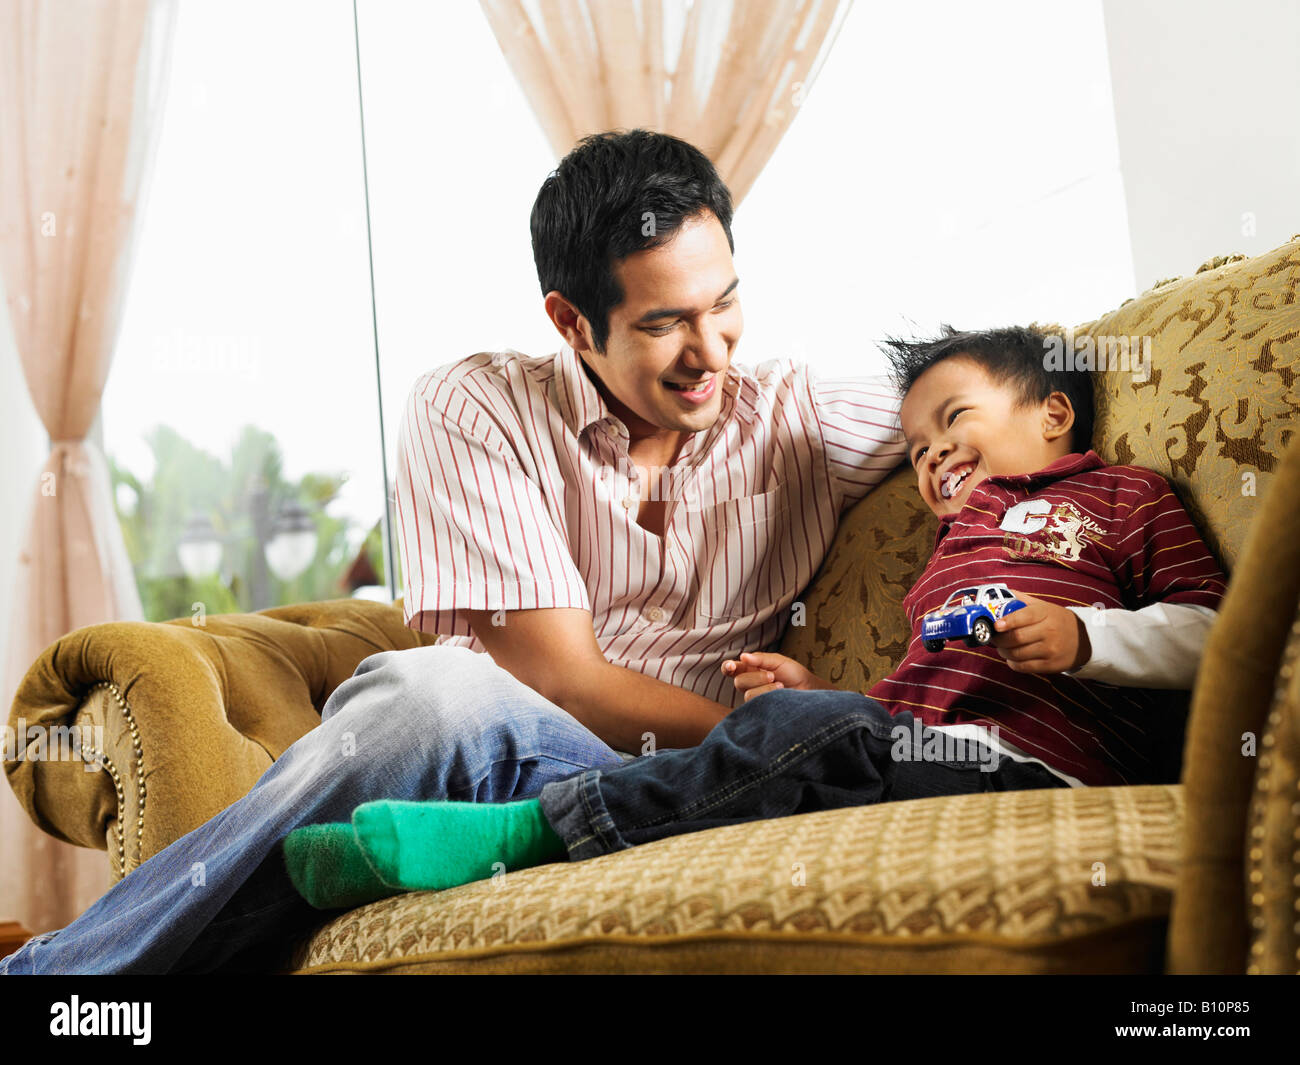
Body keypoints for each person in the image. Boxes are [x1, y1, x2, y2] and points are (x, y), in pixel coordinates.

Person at [0, 130, 907, 974]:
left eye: (726, 302)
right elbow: (561, 684)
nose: (711, 351)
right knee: (433, 692)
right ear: (572, 321)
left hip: (703, 802)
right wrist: (784, 741)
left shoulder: (798, 415)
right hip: (531, 760)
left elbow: (1013, 392)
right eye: (666, 323)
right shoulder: (474, 410)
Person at [279, 325, 1229, 904]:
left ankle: (527, 833)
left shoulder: (1124, 499)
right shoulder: (947, 553)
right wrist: (825, 694)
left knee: (821, 735)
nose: (932, 453)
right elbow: (909, 702)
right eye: (916, 443)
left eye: (955, 419)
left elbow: (1221, 636)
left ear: (1055, 413)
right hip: (928, 757)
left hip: (1045, 773)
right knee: (805, 725)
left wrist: (1083, 637)